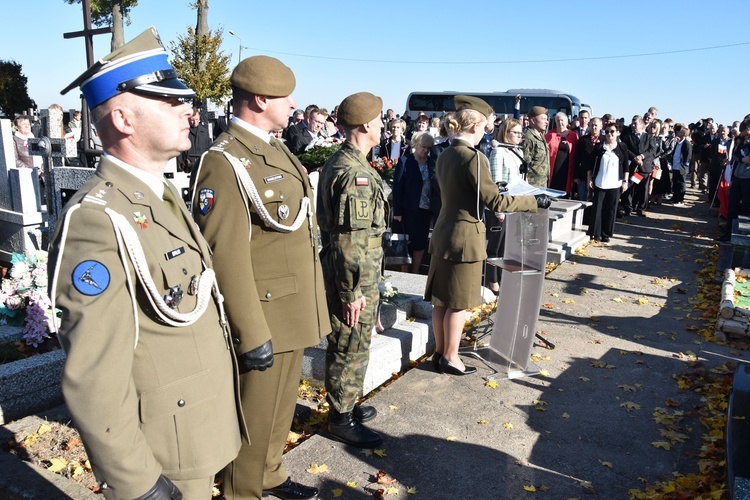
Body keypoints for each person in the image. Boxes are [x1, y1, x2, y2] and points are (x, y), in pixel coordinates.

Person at [50, 27, 244, 499]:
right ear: (123, 118)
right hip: (161, 455)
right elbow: (94, 374)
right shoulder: (97, 219)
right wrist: (135, 481)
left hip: (196, 429)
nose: (189, 111)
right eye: (169, 103)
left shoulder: (160, 196)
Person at [192, 55, 328, 500]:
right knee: (255, 414)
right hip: (264, 313)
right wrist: (249, 331)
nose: (294, 105)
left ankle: (270, 474)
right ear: (261, 99)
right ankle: (242, 490)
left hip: (290, 306)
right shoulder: (225, 160)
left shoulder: (273, 147)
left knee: (279, 409)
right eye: (286, 97)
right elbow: (224, 253)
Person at [425, 95, 548, 377]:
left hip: (445, 231)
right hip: (465, 237)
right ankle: (452, 357)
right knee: (458, 302)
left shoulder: (445, 153)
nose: (485, 131)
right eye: (484, 126)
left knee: (441, 300)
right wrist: (533, 201)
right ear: (474, 126)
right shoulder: (474, 157)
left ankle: (442, 353)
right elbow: (495, 203)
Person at [317, 92, 389, 449]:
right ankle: (341, 418)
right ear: (364, 125)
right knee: (349, 343)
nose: (382, 126)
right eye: (378, 120)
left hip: (361, 273)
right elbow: (349, 242)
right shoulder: (354, 174)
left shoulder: (348, 162)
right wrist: (352, 292)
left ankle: (347, 404)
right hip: (353, 276)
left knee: (354, 342)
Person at [485, 117, 525, 294]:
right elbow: (496, 183)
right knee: (495, 246)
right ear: (506, 133)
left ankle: (502, 277)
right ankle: (492, 280)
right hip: (500, 208)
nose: (519, 136)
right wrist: (498, 210)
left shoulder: (517, 152)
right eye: (516, 132)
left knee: (507, 247)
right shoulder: (498, 152)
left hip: (514, 206)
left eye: (520, 133)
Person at [392, 131, 439, 273]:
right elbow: (397, 188)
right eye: (424, 147)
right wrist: (397, 212)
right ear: (416, 145)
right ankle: (403, 271)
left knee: (420, 242)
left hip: (425, 210)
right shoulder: (405, 161)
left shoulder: (432, 163)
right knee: (405, 241)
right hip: (408, 210)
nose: (426, 150)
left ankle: (415, 270)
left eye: (429, 148)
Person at [587, 123, 629, 243]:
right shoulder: (600, 147)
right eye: (607, 131)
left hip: (615, 184)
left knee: (610, 210)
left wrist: (625, 182)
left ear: (618, 133)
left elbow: (626, 166)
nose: (610, 134)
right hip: (600, 182)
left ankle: (606, 233)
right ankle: (596, 233)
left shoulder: (622, 147)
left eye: (612, 131)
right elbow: (590, 166)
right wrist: (590, 179)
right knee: (597, 209)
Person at [546, 112, 579, 194]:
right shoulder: (549, 135)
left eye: (562, 120)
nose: (560, 123)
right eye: (558, 121)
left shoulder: (573, 135)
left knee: (565, 192)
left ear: (567, 122)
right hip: (553, 169)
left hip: (567, 169)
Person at [522, 106, 550, 188]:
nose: (546, 122)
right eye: (543, 119)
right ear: (533, 120)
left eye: (546, 119)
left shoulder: (541, 136)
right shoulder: (528, 137)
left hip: (542, 183)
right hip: (532, 184)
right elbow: (525, 163)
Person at [180, 107, 212, 173]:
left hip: (203, 166)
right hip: (187, 167)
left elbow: (209, 148)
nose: (195, 122)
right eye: (192, 120)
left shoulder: (205, 132)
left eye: (196, 119)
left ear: (199, 117)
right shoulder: (183, 132)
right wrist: (180, 167)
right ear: (188, 119)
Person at [670, 127, 693, 206]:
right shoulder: (678, 142)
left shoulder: (687, 143)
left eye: (680, 132)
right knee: (675, 182)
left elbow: (688, 156)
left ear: (684, 134)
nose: (678, 133)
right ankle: (675, 196)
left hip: (681, 167)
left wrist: (685, 165)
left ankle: (680, 198)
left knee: (681, 183)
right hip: (675, 165)